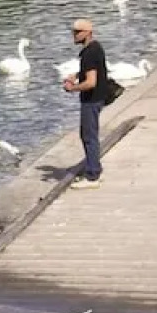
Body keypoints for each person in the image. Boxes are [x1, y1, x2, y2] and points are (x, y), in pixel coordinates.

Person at [60, 19, 108, 189]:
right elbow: (91, 70)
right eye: (73, 31)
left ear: (88, 32)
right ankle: (94, 167)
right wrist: (76, 74)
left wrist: (72, 88)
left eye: (78, 31)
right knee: (89, 134)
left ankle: (92, 175)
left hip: (91, 100)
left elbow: (91, 82)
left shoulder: (88, 53)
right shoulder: (96, 48)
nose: (74, 35)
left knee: (89, 136)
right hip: (99, 97)